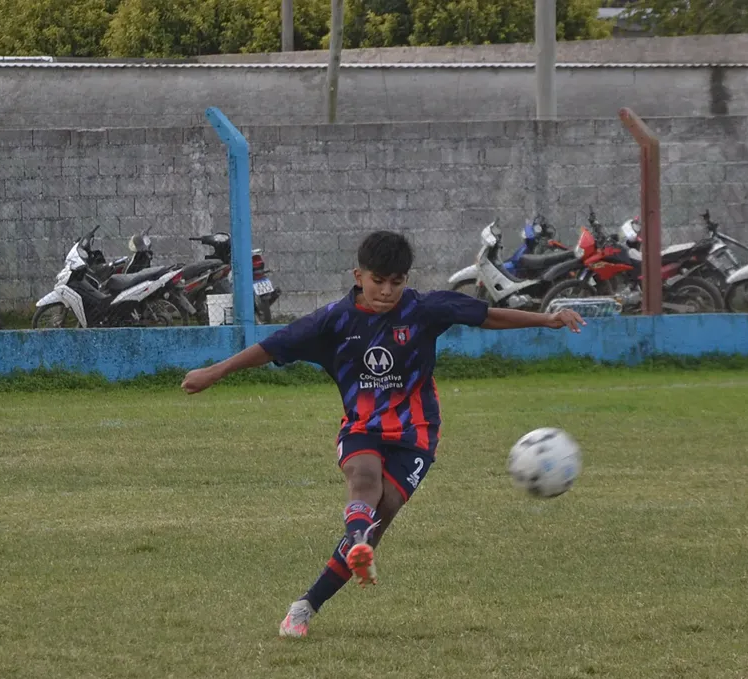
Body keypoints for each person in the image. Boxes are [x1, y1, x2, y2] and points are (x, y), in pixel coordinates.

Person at [181, 230, 585, 638]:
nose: (388, 291)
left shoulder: (426, 309)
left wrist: (548, 319)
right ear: (359, 275)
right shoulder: (333, 321)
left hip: (416, 434)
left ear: (406, 280)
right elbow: (272, 346)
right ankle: (353, 548)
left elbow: (487, 315)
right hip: (362, 427)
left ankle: (307, 602)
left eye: (397, 281)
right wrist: (215, 372)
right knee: (363, 479)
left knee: (385, 505)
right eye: (379, 281)